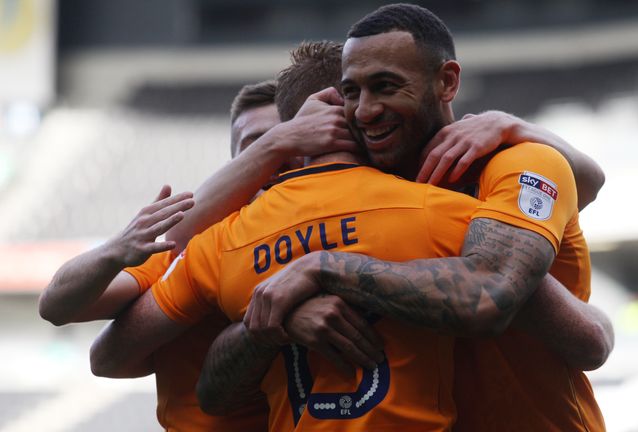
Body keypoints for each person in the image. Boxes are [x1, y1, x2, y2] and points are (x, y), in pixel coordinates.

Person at [239, 4, 609, 431]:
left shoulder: (516, 162)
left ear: (447, 81)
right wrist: (279, 322)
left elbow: (504, 301)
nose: (364, 111)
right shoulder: (348, 200)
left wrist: (323, 269)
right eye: (351, 94)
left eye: (386, 87)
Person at [89, 40, 482, 431]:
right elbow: (507, 293)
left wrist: (268, 320)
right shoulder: (445, 210)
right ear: (342, 109)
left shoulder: (221, 242)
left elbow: (114, 359)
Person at [40, 80, 355, 431]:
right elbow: (57, 306)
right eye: (260, 143)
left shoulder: (347, 228)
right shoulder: (198, 246)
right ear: (239, 163)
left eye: (298, 138)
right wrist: (117, 249)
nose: (284, 155)